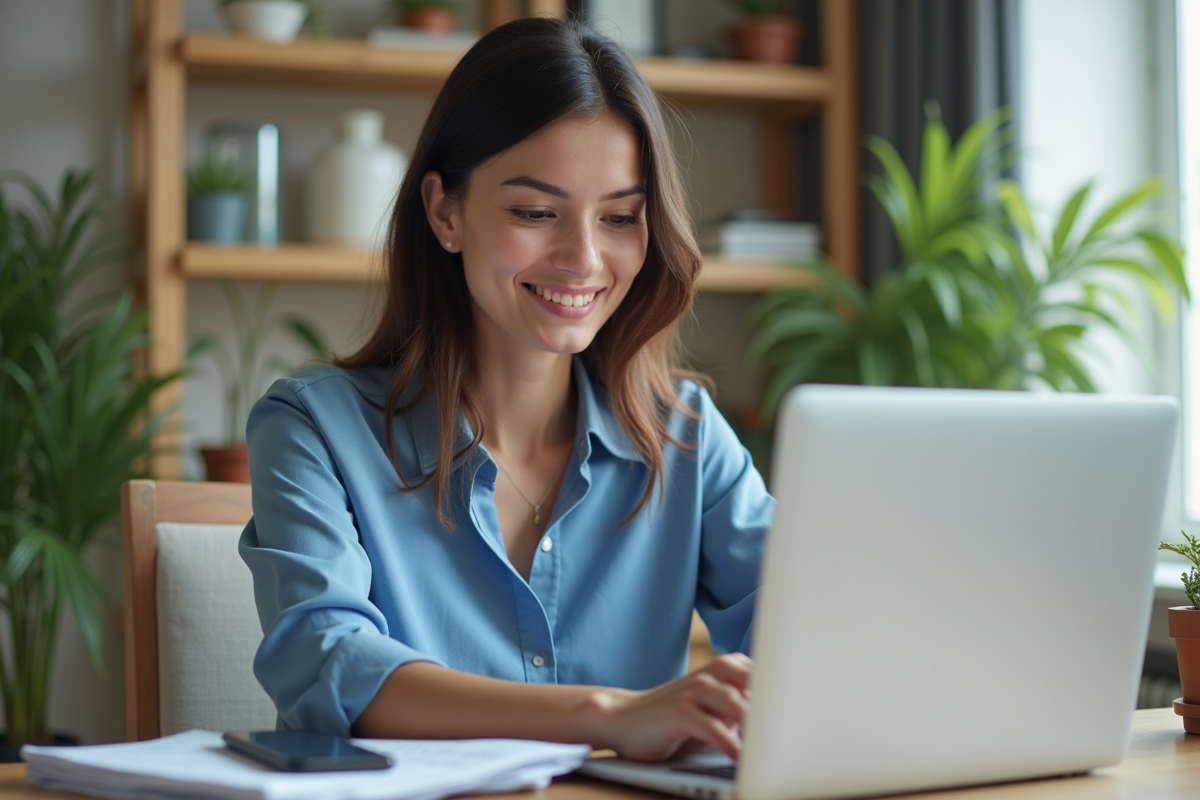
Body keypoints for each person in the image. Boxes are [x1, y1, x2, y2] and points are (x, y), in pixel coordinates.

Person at [239, 16, 774, 762]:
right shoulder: (313, 428)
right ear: (444, 211)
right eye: (535, 212)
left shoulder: (685, 435)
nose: (584, 258)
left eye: (620, 217)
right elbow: (330, 667)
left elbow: (808, 638)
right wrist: (606, 714)